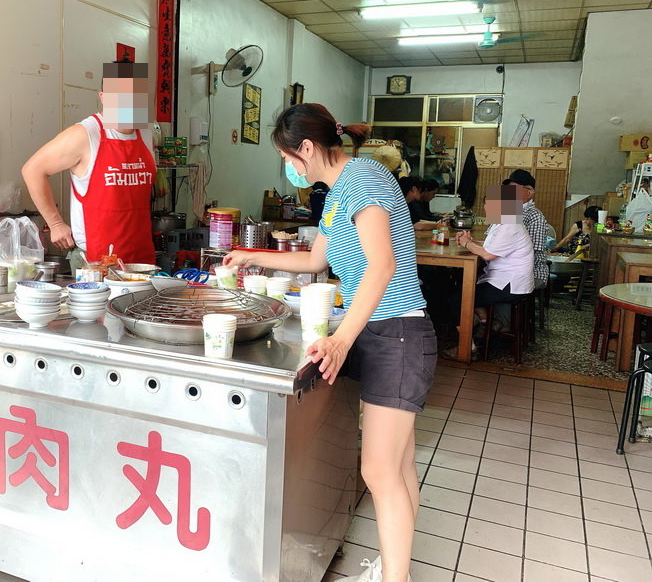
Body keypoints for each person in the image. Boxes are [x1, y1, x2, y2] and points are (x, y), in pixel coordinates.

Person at [223, 103, 436, 582]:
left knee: (380, 471)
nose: (290, 169)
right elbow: (316, 260)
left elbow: (382, 265)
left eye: (288, 158)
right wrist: (250, 255)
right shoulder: (337, 192)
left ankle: (394, 577)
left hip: (397, 333)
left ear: (307, 148)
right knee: (396, 467)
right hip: (380, 331)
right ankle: (395, 565)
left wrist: (341, 339)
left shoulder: (364, 178)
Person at [21, 61, 155, 265]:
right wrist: (56, 224)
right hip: (94, 260)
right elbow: (32, 170)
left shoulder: (145, 134)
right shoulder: (86, 134)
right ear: (103, 97)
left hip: (141, 256)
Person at [455, 184, 535, 326]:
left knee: (459, 297)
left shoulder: (510, 225)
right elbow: (490, 245)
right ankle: (486, 323)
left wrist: (467, 244)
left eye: (487, 204)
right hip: (506, 280)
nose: (485, 208)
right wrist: (470, 241)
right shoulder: (504, 222)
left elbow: (488, 254)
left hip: (510, 285)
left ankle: (471, 343)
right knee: (462, 287)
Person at [505, 169, 551, 289]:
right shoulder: (506, 209)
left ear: (529, 192)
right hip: (505, 265)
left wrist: (497, 253)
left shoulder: (535, 215)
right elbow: (490, 236)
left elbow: (531, 251)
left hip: (530, 272)